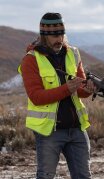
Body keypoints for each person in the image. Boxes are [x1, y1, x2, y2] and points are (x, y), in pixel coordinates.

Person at [18, 12, 95, 179]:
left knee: (84, 176)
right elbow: (36, 97)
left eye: (61, 34)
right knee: (45, 176)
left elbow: (79, 89)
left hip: (76, 129)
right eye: (53, 36)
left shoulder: (73, 53)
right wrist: (66, 88)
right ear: (44, 36)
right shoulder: (30, 60)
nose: (58, 39)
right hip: (49, 132)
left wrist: (87, 89)